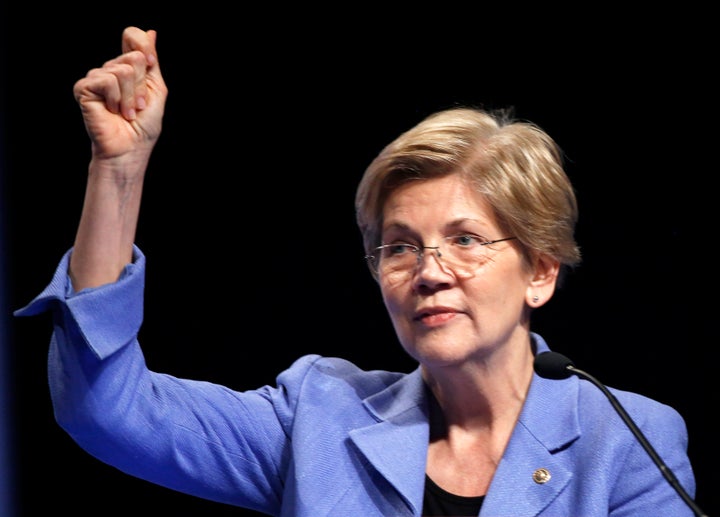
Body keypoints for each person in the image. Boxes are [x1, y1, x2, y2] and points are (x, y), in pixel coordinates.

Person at [15, 27, 700, 517]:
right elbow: (104, 408)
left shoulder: (629, 439)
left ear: (540, 272)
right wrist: (118, 170)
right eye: (399, 247)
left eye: (464, 239)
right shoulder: (318, 416)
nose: (429, 271)